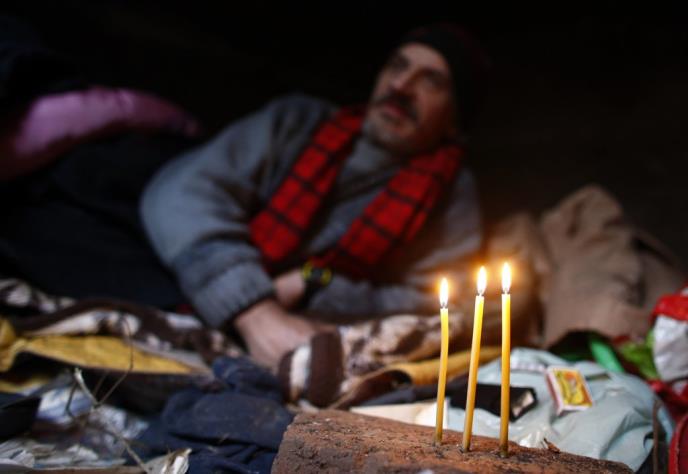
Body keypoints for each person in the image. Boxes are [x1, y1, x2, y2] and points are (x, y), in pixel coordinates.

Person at [141, 24, 490, 368]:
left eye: (431, 81)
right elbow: (180, 197)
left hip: (311, 327)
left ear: (454, 120)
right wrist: (254, 309)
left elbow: (436, 302)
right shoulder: (296, 121)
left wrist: (316, 283)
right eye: (397, 67)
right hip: (199, 287)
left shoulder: (451, 193)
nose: (401, 86)